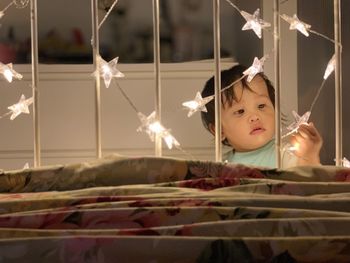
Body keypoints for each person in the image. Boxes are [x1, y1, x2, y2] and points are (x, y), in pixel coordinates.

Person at [201, 64, 323, 168]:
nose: (255, 116)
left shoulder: (287, 154)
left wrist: (309, 156)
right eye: (240, 111)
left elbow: (310, 183)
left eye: (261, 106)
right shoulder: (220, 166)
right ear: (219, 130)